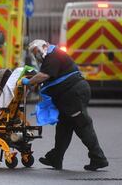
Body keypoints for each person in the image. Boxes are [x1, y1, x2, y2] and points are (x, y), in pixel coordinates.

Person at [22, 39, 108, 171]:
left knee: (82, 125)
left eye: (36, 52)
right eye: (34, 53)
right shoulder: (52, 55)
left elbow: (44, 75)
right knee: (63, 128)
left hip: (73, 94)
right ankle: (56, 158)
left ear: (43, 47)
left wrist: (29, 82)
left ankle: (98, 158)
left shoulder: (52, 56)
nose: (36, 55)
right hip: (68, 96)